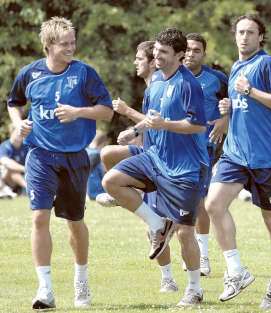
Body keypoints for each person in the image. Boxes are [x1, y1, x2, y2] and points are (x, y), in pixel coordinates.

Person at [6, 17, 113, 310]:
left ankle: (81, 281)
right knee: (39, 218)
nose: (71, 47)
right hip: (39, 155)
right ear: (49, 45)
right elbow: (13, 102)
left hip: (75, 157)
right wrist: (20, 125)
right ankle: (45, 290)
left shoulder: (84, 74)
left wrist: (78, 112)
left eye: (73, 42)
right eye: (65, 44)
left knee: (74, 222)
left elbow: (106, 112)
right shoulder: (30, 73)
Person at [102, 28, 209, 307]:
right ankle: (158, 224)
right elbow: (151, 117)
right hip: (155, 159)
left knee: (186, 232)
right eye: (156, 52)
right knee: (111, 181)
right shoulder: (157, 82)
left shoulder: (189, 85)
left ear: (180, 55)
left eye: (163, 52)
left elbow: (198, 125)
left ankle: (195, 289)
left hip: (186, 169)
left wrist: (165, 125)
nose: (156, 56)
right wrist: (133, 130)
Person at [205, 14, 271, 310]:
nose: (244, 37)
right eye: (240, 32)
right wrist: (228, 107)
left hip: (268, 155)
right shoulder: (235, 67)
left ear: (260, 37)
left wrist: (250, 91)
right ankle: (236, 271)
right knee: (213, 204)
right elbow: (243, 106)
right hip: (236, 152)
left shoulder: (267, 64)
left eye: (250, 32)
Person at [96, 40, 180, 293]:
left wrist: (128, 113)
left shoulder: (160, 84)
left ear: (153, 62)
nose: (135, 62)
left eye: (139, 58)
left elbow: (158, 122)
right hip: (149, 152)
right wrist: (134, 132)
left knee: (159, 227)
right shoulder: (150, 87)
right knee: (109, 154)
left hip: (165, 159)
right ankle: (123, 196)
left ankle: (171, 279)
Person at [183, 32, 229, 276]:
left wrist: (225, 119)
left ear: (204, 53)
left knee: (199, 200)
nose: (191, 54)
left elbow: (234, 104)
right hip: (174, 148)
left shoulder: (217, 79)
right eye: (188, 49)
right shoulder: (169, 76)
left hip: (203, 148)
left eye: (196, 50)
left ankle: (202, 256)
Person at [0, 125, 28, 196]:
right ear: (11, 133)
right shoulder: (4, 146)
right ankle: (29, 188)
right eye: (17, 132)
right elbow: (5, 162)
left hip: (22, 177)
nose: (19, 135)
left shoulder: (25, 146)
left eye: (21, 132)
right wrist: (25, 169)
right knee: (8, 168)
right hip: (6, 178)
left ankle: (27, 189)